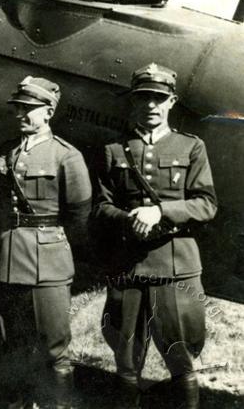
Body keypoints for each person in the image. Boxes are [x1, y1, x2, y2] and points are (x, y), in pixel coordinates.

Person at [94, 63, 217, 409]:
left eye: (158, 98)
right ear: (134, 102)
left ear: (171, 101)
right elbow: (101, 207)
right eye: (143, 98)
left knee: (180, 355)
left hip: (174, 267)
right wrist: (128, 218)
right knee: (125, 355)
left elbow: (206, 205)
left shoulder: (190, 147)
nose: (151, 105)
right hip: (128, 266)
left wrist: (161, 212)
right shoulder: (114, 151)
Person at [0, 76, 92, 409]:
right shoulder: (7, 150)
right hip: (9, 259)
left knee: (53, 347)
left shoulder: (66, 156)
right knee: (14, 342)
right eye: (18, 107)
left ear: (48, 112)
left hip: (48, 262)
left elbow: (79, 213)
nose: (21, 114)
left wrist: (54, 246)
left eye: (29, 109)